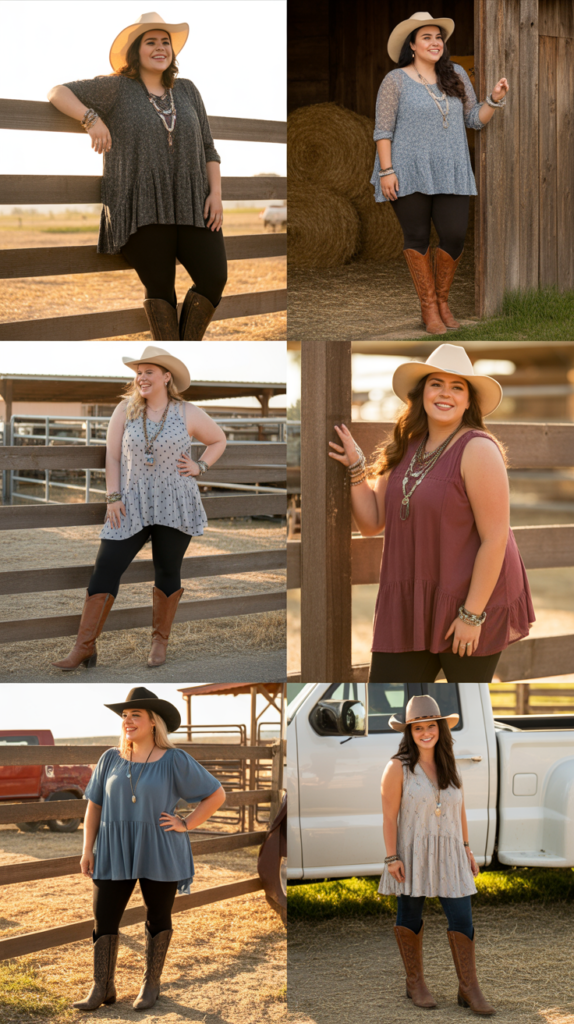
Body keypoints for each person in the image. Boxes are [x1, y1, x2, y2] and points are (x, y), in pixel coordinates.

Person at [328, 344, 535, 682]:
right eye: (436, 383)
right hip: (411, 604)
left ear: (469, 401)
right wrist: (355, 467)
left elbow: (496, 538)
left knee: (465, 700)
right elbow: (371, 522)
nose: (445, 394)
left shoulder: (478, 449)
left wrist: (471, 616)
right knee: (385, 695)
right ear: (421, 392)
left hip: (469, 598)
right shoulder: (405, 446)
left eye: (458, 387)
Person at [48, 12, 227, 341]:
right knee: (161, 286)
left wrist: (215, 193)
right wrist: (91, 119)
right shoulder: (116, 88)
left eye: (165, 42)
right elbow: (57, 92)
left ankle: (182, 350)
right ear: (136, 51)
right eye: (151, 42)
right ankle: (173, 353)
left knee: (214, 277)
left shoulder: (188, 91)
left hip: (192, 201)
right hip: (140, 202)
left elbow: (208, 148)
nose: (160, 48)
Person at [53, 346, 226, 671]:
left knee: (167, 571)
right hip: (130, 502)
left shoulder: (187, 412)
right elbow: (113, 456)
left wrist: (200, 466)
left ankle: (159, 644)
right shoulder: (125, 410)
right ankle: (84, 647)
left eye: (149, 371)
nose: (142, 377)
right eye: (139, 372)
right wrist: (113, 496)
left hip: (175, 501)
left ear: (166, 376)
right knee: (106, 565)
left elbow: (219, 440)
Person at [74, 686, 226, 1012]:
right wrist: (88, 848)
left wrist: (186, 823)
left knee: (158, 916)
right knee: (104, 917)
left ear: (153, 722)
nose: (128, 721)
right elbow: (94, 806)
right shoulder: (109, 758)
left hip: (160, 848)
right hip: (114, 848)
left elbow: (216, 794)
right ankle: (103, 986)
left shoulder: (175, 759)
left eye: (135, 715)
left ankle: (151, 983)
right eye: (125, 716)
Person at [371, 12, 509, 334]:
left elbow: (474, 119)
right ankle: (429, 309)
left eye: (439, 38)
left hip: (451, 166)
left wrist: (494, 100)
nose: (435, 43)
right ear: (412, 45)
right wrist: (387, 170)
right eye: (427, 38)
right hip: (407, 168)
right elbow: (382, 130)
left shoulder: (456, 73)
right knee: (417, 236)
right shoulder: (395, 80)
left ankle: (443, 302)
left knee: (455, 234)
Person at [380, 694, 495, 1014]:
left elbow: (460, 811)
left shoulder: (449, 764)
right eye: (418, 728)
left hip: (451, 852)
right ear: (409, 733)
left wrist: (467, 849)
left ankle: (469, 987)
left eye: (431, 726)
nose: (426, 732)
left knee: (462, 917)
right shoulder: (396, 767)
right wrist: (392, 858)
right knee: (410, 915)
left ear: (441, 729)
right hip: (413, 852)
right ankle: (414, 983)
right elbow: (389, 816)